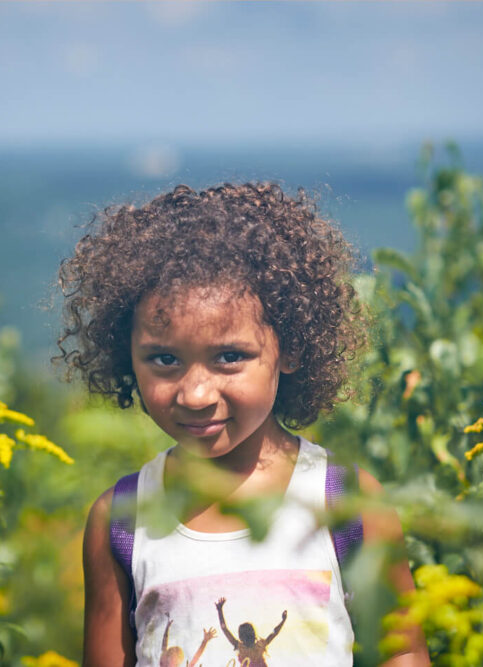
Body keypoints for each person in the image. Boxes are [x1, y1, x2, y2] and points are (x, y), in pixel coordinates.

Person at [61, 183, 429, 666]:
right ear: (127, 358)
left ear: (291, 348)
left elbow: (401, 652)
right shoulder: (121, 521)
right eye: (164, 359)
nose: (195, 393)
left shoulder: (347, 504)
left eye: (229, 357)